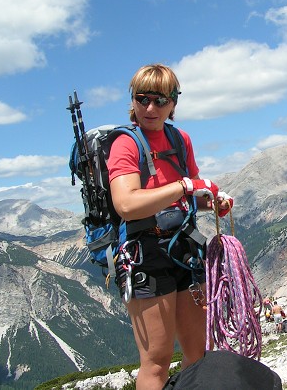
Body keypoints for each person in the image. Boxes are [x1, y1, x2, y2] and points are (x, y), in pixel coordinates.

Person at [108, 64, 233, 390]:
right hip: (144, 255)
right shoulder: (125, 144)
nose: (151, 108)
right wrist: (182, 187)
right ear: (133, 100)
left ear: (173, 103)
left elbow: (191, 196)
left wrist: (213, 203)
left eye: (160, 100)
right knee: (156, 361)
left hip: (184, 249)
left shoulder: (180, 139)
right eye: (143, 98)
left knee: (198, 350)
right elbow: (126, 204)